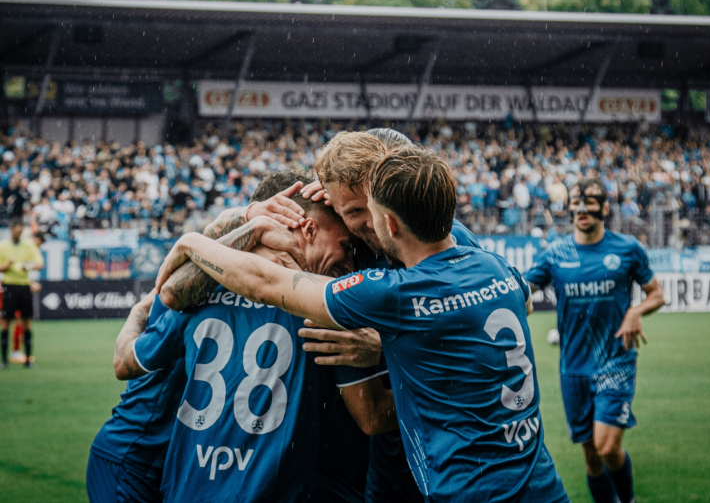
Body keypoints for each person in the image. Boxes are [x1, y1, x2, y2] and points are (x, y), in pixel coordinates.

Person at [157, 147, 569, 503]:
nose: (360, 230)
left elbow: (266, 284)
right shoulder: (496, 266)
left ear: (388, 224)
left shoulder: (392, 292)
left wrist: (194, 240)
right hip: (540, 482)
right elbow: (524, 304)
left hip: (471, 489)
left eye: (362, 215)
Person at [115, 172, 396, 503]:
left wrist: (206, 238)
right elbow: (373, 416)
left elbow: (139, 342)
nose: (350, 263)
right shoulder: (326, 305)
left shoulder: (204, 288)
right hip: (270, 491)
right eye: (346, 246)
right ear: (307, 228)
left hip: (189, 487)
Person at [86, 177, 314, 503]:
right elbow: (124, 363)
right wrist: (141, 309)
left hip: (171, 461)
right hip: (133, 453)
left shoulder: (216, 284)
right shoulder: (195, 290)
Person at [301, 129, 481, 503]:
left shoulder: (445, 238)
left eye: (370, 203)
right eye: (352, 212)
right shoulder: (354, 254)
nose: (372, 220)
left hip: (464, 450)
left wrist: (384, 346)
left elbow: (498, 318)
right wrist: (252, 213)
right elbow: (371, 416)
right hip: (392, 464)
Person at [523, 178, 665, 503]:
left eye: (590, 201)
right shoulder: (555, 254)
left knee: (607, 447)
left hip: (615, 361)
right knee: (591, 457)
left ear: (605, 207)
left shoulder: (627, 249)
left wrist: (636, 311)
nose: (581, 208)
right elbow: (521, 292)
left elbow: (657, 294)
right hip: (573, 367)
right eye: (575, 202)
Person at [0, 218, 44, 369]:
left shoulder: (29, 245)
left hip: (25, 287)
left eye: (21, 230)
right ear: (11, 229)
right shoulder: (3, 246)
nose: (19, 232)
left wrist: (28, 266)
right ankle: (4, 361)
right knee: (5, 323)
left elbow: (40, 263)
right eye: (16, 230)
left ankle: (28, 360)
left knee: (27, 324)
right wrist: (5, 266)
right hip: (9, 287)